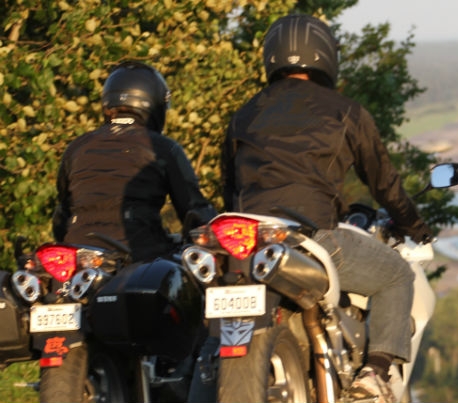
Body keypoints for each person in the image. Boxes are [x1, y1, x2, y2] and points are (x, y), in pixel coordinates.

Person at [222, 14, 433, 403]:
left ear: (272, 57)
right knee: (396, 276)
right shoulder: (345, 111)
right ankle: (373, 376)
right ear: (325, 56)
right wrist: (415, 226)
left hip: (246, 238)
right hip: (312, 235)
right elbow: (383, 183)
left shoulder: (244, 114)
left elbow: (228, 189)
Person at [53, 61, 217, 263]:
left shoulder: (76, 147)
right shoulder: (163, 147)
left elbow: (62, 215)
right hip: (139, 253)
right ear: (154, 102)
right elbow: (194, 210)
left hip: (77, 257)